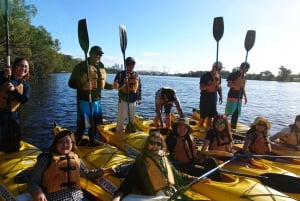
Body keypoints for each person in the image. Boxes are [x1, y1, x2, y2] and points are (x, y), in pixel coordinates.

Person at [28, 128, 116, 201]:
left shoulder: (76, 158)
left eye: (68, 142)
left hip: (79, 197)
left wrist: (103, 171)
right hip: (55, 198)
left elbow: (87, 173)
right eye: (61, 142)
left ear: (72, 143)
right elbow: (33, 182)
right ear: (55, 144)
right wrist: (37, 192)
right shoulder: (46, 160)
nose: (64, 145)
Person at [68, 46, 112, 146]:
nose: (98, 56)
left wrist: (112, 86)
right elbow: (71, 83)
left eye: (100, 55)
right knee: (83, 124)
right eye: (96, 54)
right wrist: (83, 86)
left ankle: (92, 140)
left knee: (95, 123)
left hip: (97, 100)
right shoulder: (81, 66)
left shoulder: (101, 66)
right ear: (90, 54)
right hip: (84, 100)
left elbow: (102, 84)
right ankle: (75, 141)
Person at [0, 57, 30, 153]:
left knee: (14, 144)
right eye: (20, 65)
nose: (23, 68)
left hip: (13, 117)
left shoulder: (26, 86)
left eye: (26, 66)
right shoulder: (4, 76)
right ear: (14, 67)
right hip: (0, 115)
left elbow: (24, 100)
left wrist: (14, 91)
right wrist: (3, 77)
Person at [112, 57, 142, 134]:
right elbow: (116, 86)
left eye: (133, 64)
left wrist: (139, 98)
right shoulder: (120, 74)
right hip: (123, 100)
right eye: (129, 64)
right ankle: (118, 133)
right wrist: (123, 82)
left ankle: (130, 133)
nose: (131, 65)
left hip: (133, 100)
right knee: (121, 119)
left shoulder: (136, 75)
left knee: (131, 119)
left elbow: (139, 87)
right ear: (126, 64)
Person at [225, 62, 250, 129]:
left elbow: (243, 88)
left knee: (236, 113)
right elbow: (229, 85)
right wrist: (237, 85)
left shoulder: (244, 76)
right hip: (232, 96)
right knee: (228, 112)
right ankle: (221, 124)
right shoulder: (233, 74)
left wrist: (245, 96)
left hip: (240, 97)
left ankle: (233, 127)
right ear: (240, 67)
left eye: (247, 69)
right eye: (244, 68)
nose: (245, 70)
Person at [199, 61, 223, 129]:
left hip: (213, 97)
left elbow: (219, 87)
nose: (220, 70)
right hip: (205, 97)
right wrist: (212, 84)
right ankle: (199, 129)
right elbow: (202, 87)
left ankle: (208, 129)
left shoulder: (219, 76)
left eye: (220, 69)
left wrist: (221, 96)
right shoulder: (205, 75)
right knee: (203, 116)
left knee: (210, 116)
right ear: (213, 67)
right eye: (219, 68)